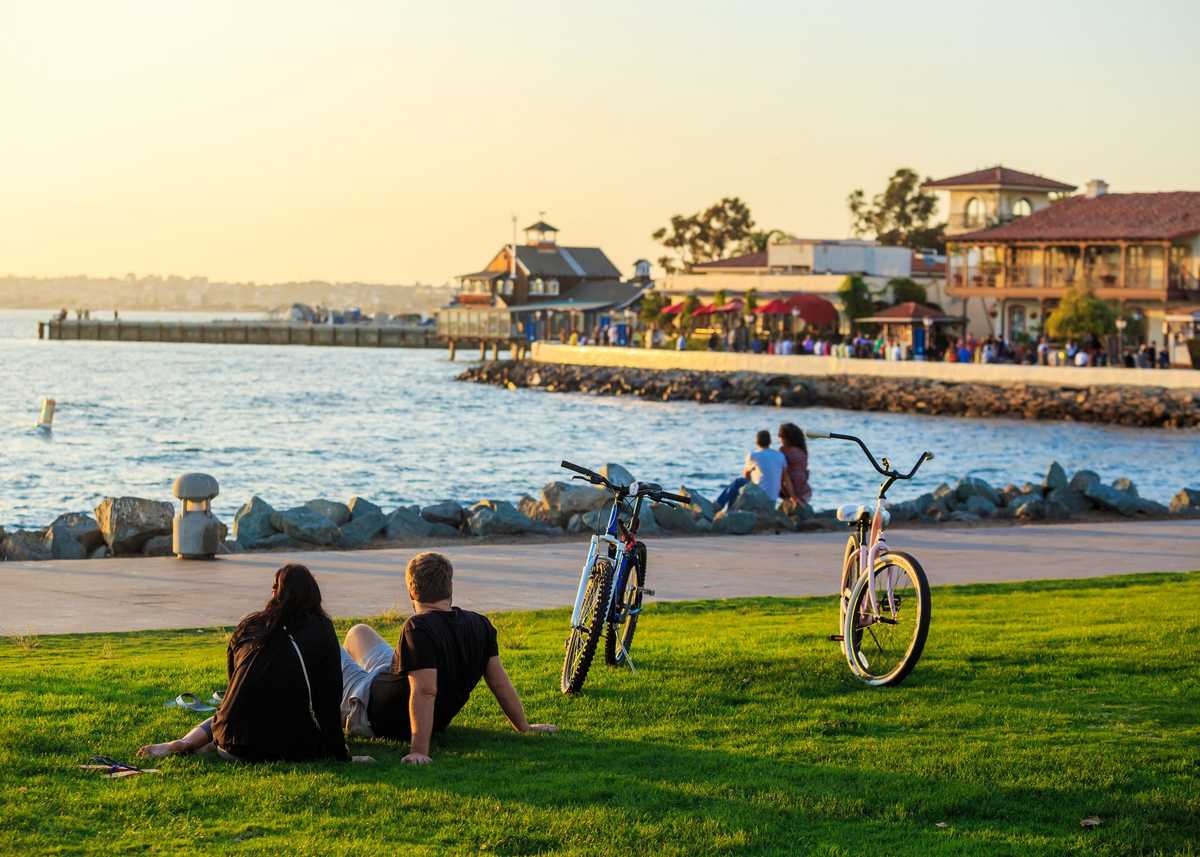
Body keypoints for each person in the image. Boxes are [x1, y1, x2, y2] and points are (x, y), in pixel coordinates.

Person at [339, 552, 556, 764]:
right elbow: (499, 682)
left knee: (334, 647)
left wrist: (419, 751)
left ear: (411, 593)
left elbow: (425, 691)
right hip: (386, 679)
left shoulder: (417, 628)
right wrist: (524, 727)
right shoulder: (480, 624)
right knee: (358, 632)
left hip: (367, 708)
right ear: (450, 587)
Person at [139, 564, 350, 763]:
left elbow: (233, 686)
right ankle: (208, 744)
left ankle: (187, 742)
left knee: (230, 710)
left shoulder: (250, 624)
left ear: (275, 592)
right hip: (282, 747)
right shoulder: (322, 628)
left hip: (229, 744)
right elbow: (328, 700)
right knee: (292, 718)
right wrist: (341, 754)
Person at [715, 429, 787, 511]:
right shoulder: (780, 455)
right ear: (770, 442)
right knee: (740, 486)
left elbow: (746, 476)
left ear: (756, 442)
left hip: (760, 498)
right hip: (772, 501)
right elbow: (785, 478)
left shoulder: (754, 455)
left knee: (738, 482)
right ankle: (729, 511)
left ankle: (719, 506)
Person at [777, 422, 812, 508]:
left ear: (787, 438)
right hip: (803, 490)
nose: (779, 439)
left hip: (789, 489)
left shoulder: (783, 451)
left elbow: (783, 475)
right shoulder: (803, 451)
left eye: (780, 436)